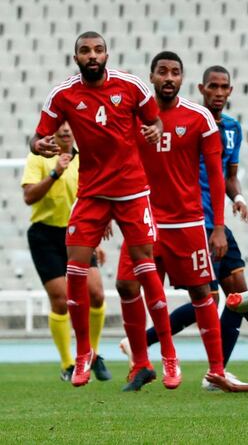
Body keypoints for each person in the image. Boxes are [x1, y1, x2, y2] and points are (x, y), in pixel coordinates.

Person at [30, 31, 169, 387]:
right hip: (92, 193)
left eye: (98, 50)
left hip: (131, 189)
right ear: (76, 57)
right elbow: (37, 138)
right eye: (85, 51)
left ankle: (168, 355)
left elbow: (155, 120)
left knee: (145, 268)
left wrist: (154, 130)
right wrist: (41, 144)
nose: (92, 56)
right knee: (75, 271)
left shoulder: (132, 86)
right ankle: (81, 356)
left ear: (107, 53)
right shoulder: (63, 94)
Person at [116, 51, 229, 391]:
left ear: (182, 79)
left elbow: (215, 174)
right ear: (151, 77)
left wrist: (219, 226)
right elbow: (117, 165)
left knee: (201, 293)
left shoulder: (199, 117)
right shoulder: (133, 119)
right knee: (125, 285)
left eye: (174, 72)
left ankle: (216, 370)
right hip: (142, 219)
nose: (168, 77)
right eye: (162, 72)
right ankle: (141, 364)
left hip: (186, 223)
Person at [138, 65, 248, 379]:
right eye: (212, 87)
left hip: (216, 221)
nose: (217, 93)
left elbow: (228, 176)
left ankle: (218, 371)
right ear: (201, 89)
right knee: (207, 297)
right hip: (189, 220)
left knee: (238, 295)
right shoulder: (190, 121)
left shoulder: (231, 128)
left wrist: (238, 198)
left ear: (230, 91)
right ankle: (143, 345)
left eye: (223, 87)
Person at [21, 120, 111, 382]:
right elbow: (28, 197)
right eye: (60, 124)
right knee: (61, 300)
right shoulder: (39, 159)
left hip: (79, 232)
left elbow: (92, 198)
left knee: (96, 293)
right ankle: (68, 363)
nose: (66, 129)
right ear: (52, 130)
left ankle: (92, 355)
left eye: (70, 124)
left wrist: (98, 235)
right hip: (45, 234)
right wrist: (54, 174)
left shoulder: (85, 159)